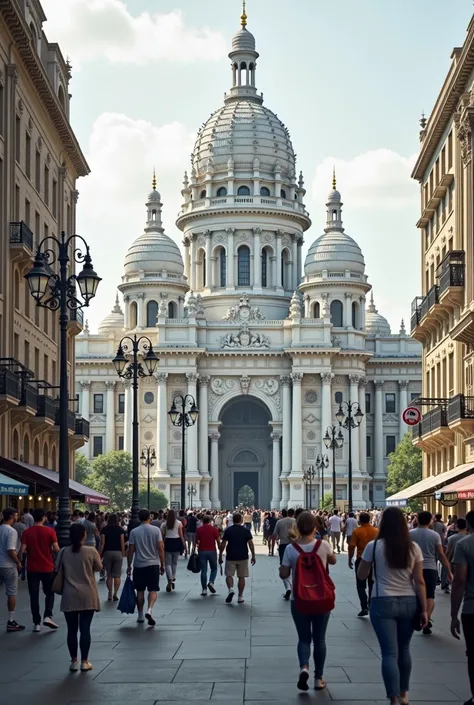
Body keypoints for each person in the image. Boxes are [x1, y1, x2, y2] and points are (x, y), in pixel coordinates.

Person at [357, 507, 428, 705]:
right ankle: (404, 694)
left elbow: (362, 575)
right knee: (404, 649)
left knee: (389, 652)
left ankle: (393, 697)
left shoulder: (374, 546)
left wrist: (368, 567)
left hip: (382, 601)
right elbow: (420, 581)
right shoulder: (413, 547)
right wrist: (424, 610)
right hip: (409, 601)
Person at [280, 511, 336, 692]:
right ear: (315, 527)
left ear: (297, 527)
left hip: (300, 599)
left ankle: (304, 667)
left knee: (304, 639)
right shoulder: (324, 545)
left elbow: (284, 574)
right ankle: (319, 678)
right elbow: (333, 561)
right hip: (321, 598)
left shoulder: (291, 549)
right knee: (320, 639)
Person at [58, 522, 102, 672]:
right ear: (84, 535)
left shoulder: (64, 551)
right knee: (85, 629)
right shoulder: (91, 551)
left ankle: (73, 661)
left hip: (69, 594)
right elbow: (99, 567)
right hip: (87, 594)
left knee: (71, 630)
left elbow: (57, 568)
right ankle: (85, 661)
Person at [410, 510, 452, 635]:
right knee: (430, 595)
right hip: (430, 567)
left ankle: (421, 615)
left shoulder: (410, 534)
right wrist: (448, 570)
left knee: (416, 594)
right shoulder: (434, 535)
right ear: (430, 520)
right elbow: (440, 554)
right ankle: (426, 618)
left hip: (413, 568)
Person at [19, 508, 59, 632]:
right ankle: (48, 615)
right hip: (47, 567)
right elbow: (56, 549)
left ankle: (36, 622)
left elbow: (22, 550)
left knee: (34, 596)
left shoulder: (27, 532)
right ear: (43, 518)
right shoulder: (50, 531)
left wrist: (20, 561)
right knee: (50, 593)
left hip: (32, 568)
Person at [450, 510, 474, 705]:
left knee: (473, 655)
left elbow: (459, 581)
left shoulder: (464, 544)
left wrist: (453, 614)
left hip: (472, 609)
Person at [127, 509, 164, 625]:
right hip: (153, 564)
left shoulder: (134, 531)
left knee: (140, 590)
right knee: (153, 589)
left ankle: (140, 615)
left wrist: (129, 565)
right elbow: (160, 548)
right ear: (149, 517)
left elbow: (131, 550)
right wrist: (162, 564)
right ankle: (150, 610)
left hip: (139, 565)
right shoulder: (156, 530)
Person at [219, 512, 256, 604]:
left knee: (229, 575)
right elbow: (251, 544)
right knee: (241, 577)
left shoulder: (228, 530)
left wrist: (220, 555)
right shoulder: (246, 531)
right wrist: (253, 555)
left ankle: (231, 589)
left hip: (231, 555)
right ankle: (240, 596)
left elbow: (223, 544)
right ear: (241, 520)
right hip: (243, 556)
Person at [348, 512, 378, 617]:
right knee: (372, 583)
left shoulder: (357, 531)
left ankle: (364, 607)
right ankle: (371, 604)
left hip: (361, 559)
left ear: (360, 520)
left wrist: (349, 558)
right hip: (374, 560)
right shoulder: (376, 531)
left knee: (360, 585)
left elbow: (351, 546)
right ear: (369, 519)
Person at [0, 507, 24, 632]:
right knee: (11, 592)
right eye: (16, 515)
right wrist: (18, 562)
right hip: (8, 566)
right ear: (12, 516)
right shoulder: (11, 531)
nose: (17, 517)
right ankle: (11, 620)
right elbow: (11, 550)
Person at [99, 513, 125, 601]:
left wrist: (99, 554)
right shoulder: (120, 530)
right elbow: (122, 543)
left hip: (107, 553)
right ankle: (115, 593)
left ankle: (109, 593)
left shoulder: (104, 530)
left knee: (109, 575)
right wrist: (123, 553)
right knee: (117, 575)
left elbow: (102, 544)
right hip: (118, 553)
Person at [273, 508, 296, 600]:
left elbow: (275, 534)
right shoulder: (295, 521)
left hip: (283, 545)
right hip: (294, 545)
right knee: (294, 566)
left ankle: (288, 587)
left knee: (283, 567)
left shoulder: (279, 522)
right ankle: (294, 587)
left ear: (281, 514)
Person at [196, 514, 220, 596]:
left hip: (202, 551)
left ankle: (204, 589)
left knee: (204, 570)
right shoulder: (214, 529)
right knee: (214, 568)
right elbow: (218, 540)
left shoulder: (199, 530)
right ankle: (211, 582)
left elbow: (196, 541)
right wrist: (220, 549)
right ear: (210, 521)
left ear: (202, 521)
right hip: (212, 551)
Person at [161, 508, 185, 593]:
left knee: (167, 564)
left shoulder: (164, 524)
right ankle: (173, 576)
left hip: (168, 542)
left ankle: (169, 580)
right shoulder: (179, 523)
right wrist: (183, 544)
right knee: (174, 563)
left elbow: (162, 535)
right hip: (176, 541)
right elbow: (181, 535)